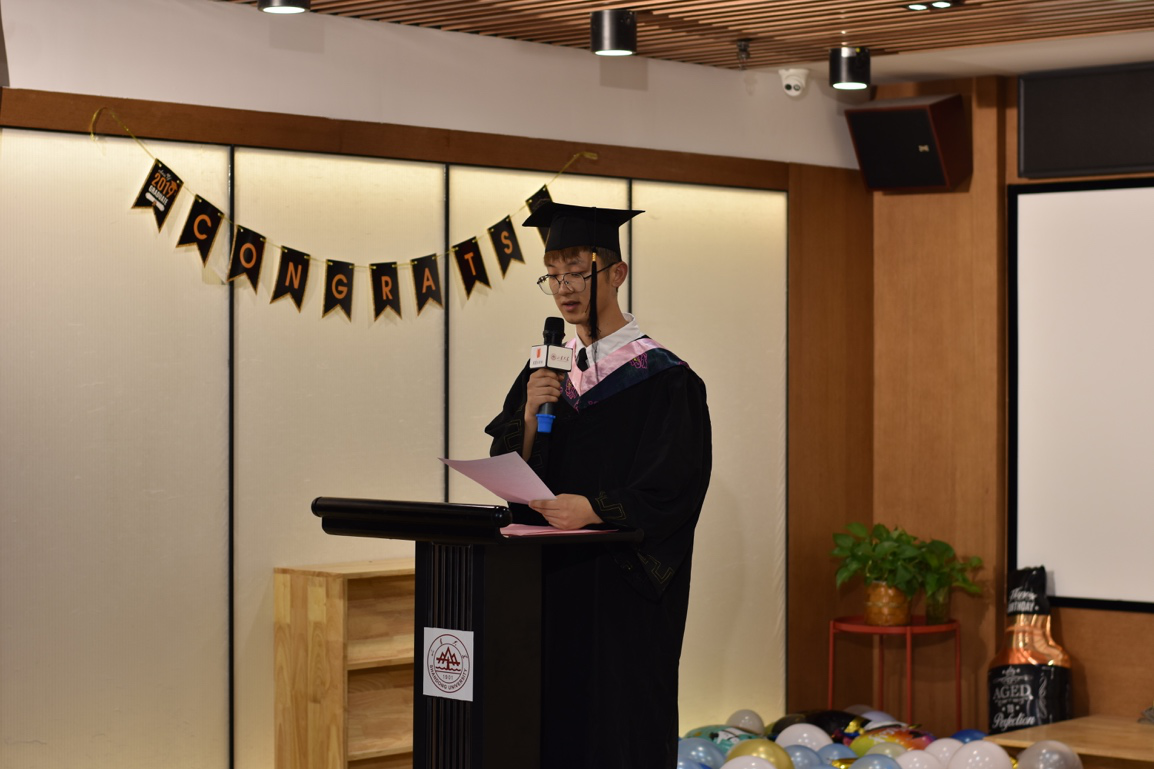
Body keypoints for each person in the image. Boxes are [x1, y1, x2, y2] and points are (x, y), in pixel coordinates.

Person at [484, 202, 712, 769]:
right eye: (552, 275)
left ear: (616, 274)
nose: (563, 288)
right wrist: (530, 417)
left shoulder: (665, 378)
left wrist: (594, 509)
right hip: (549, 580)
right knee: (549, 722)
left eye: (576, 273)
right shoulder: (547, 369)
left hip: (619, 587)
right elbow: (511, 466)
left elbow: (677, 485)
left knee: (617, 724)